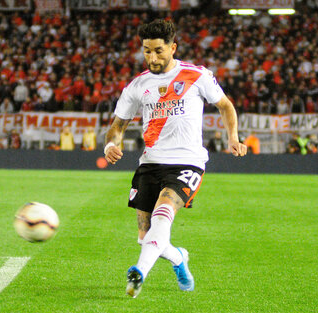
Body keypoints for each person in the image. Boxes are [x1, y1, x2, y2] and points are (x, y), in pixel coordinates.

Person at [103, 19, 247, 298]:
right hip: (150, 162)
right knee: (146, 238)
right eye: (146, 51)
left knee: (163, 215)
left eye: (158, 50)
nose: (152, 57)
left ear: (173, 47)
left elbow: (225, 105)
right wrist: (110, 144)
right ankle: (179, 258)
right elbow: (118, 125)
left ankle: (138, 273)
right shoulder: (137, 85)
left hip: (187, 162)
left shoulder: (196, 75)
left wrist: (233, 137)